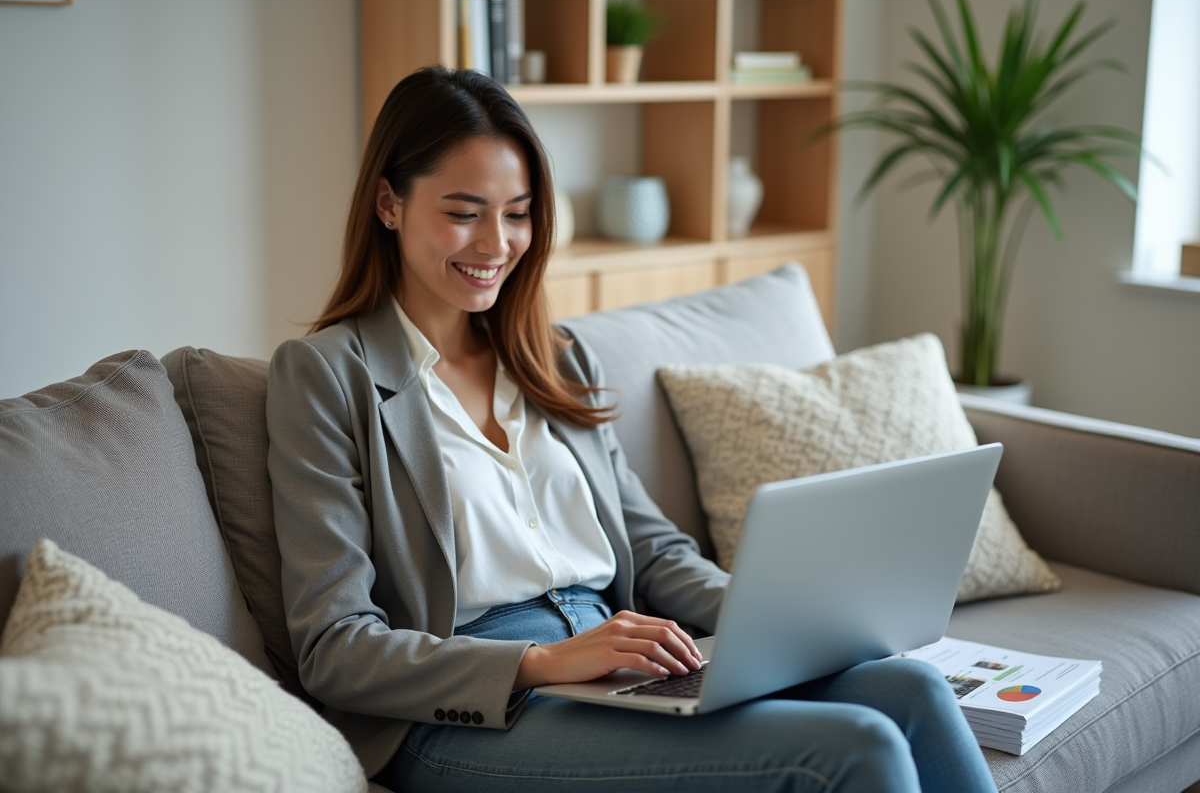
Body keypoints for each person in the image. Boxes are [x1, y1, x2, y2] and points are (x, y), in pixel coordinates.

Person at [265, 65, 998, 793]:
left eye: (517, 213)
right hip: (471, 713)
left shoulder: (555, 360)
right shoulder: (326, 375)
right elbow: (335, 647)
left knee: (911, 692)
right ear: (389, 204)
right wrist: (545, 663)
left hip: (615, 669)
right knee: (854, 747)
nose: (496, 243)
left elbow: (654, 552)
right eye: (464, 212)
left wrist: (787, 623)